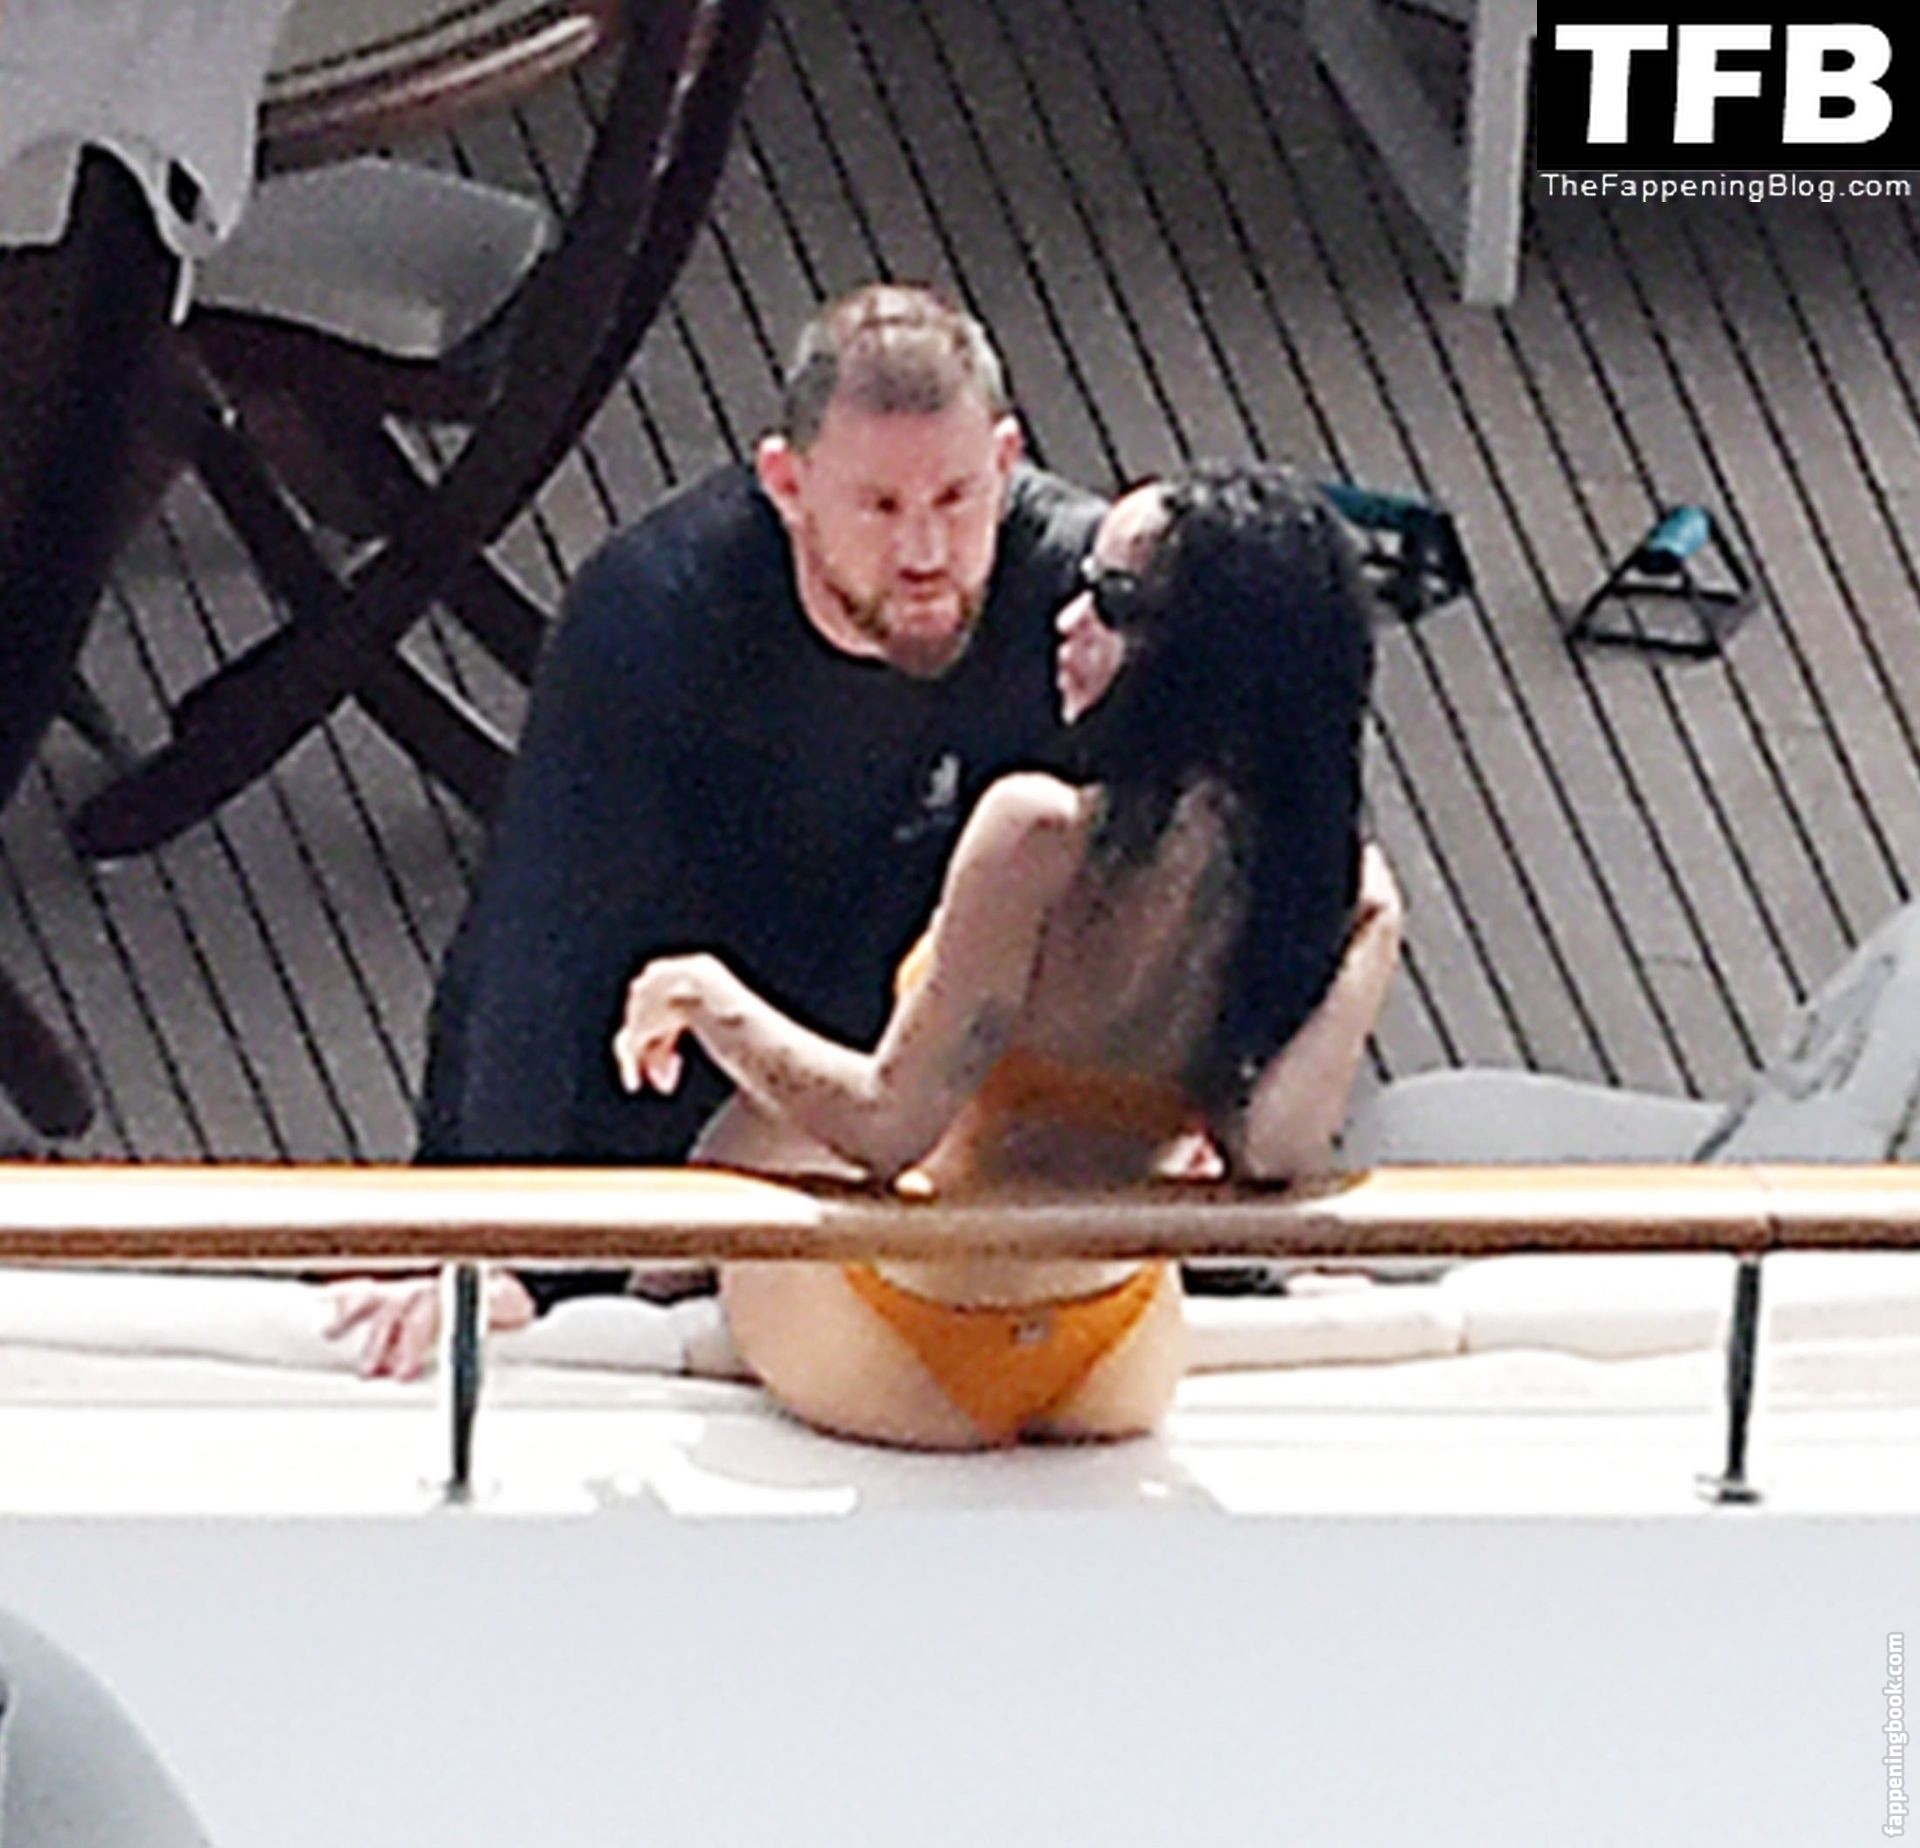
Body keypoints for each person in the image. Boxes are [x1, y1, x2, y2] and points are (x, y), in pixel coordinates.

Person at [328, 284, 1105, 1375]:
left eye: (957, 497)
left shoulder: (1079, 598)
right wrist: (496, 1241)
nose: (927, 549)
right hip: (647, 1056)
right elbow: (544, 937)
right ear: (786, 484)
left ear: (1008, 462)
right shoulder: (658, 609)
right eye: (880, 508)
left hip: (913, 1060)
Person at [611, 462, 1395, 1448]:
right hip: (1115, 1353)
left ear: (1207, 654)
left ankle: (613, 1336)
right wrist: (1376, 935)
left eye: (1111, 599)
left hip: (907, 1347)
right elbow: (1273, 1155)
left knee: (752, 1137)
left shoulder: (1038, 835)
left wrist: (701, 994)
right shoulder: (1305, 881)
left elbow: (887, 1125)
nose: (1068, 620)